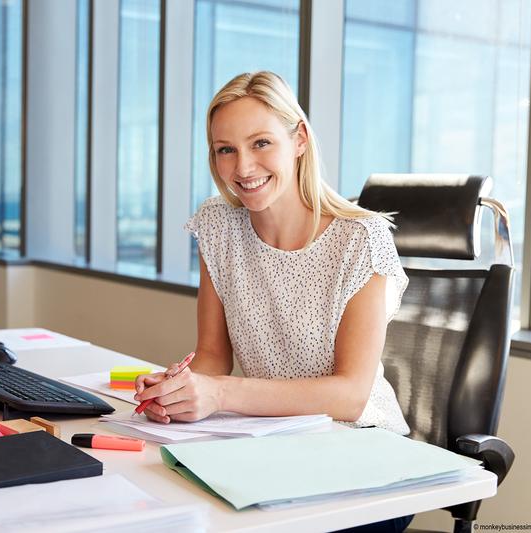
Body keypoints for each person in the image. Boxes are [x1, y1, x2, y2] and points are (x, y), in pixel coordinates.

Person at [134, 70, 409, 435]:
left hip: (362, 442)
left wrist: (222, 393)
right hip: (274, 436)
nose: (243, 167)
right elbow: (214, 355)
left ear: (300, 140)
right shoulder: (218, 227)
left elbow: (351, 395)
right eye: (226, 150)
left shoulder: (361, 240)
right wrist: (178, 392)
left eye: (261, 143)